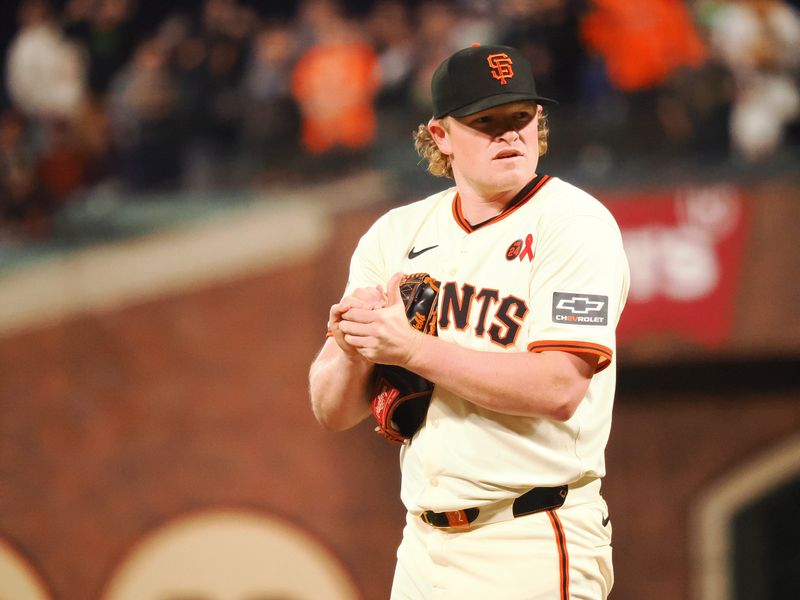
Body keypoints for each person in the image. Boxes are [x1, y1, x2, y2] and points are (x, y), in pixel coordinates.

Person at [308, 43, 629, 599]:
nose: (509, 134)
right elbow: (331, 410)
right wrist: (354, 345)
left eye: (521, 117)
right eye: (486, 122)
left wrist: (409, 350)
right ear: (440, 137)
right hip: (422, 544)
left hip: (530, 531)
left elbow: (559, 387)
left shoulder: (575, 224)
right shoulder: (394, 234)